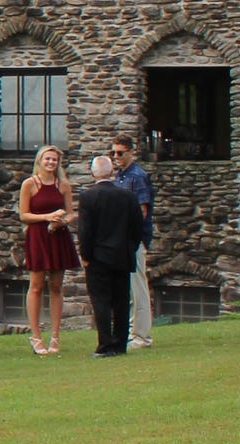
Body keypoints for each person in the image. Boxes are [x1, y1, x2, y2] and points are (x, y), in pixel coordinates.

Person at [75, 153, 147, 357]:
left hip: (98, 256)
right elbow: (136, 227)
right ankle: (120, 343)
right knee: (122, 301)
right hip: (122, 256)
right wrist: (129, 248)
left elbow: (85, 231)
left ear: (93, 173)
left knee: (101, 302)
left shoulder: (88, 197)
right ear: (112, 171)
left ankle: (106, 344)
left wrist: (85, 255)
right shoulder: (128, 196)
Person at [18, 144, 79, 355]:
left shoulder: (63, 185)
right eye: (47, 159)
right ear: (40, 161)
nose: (51, 163)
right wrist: (46, 217)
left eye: (54, 160)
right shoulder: (29, 184)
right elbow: (24, 215)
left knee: (56, 285)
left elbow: (72, 213)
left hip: (58, 235)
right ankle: (35, 336)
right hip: (38, 236)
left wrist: (63, 221)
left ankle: (55, 335)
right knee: (36, 285)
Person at [110, 133, 155, 349]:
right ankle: (128, 331)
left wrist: (127, 234)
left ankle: (141, 336)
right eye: (113, 153)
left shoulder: (138, 176)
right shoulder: (120, 177)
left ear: (131, 152)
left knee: (138, 287)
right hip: (121, 239)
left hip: (133, 239)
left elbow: (142, 211)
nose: (116, 157)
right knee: (126, 287)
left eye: (120, 153)